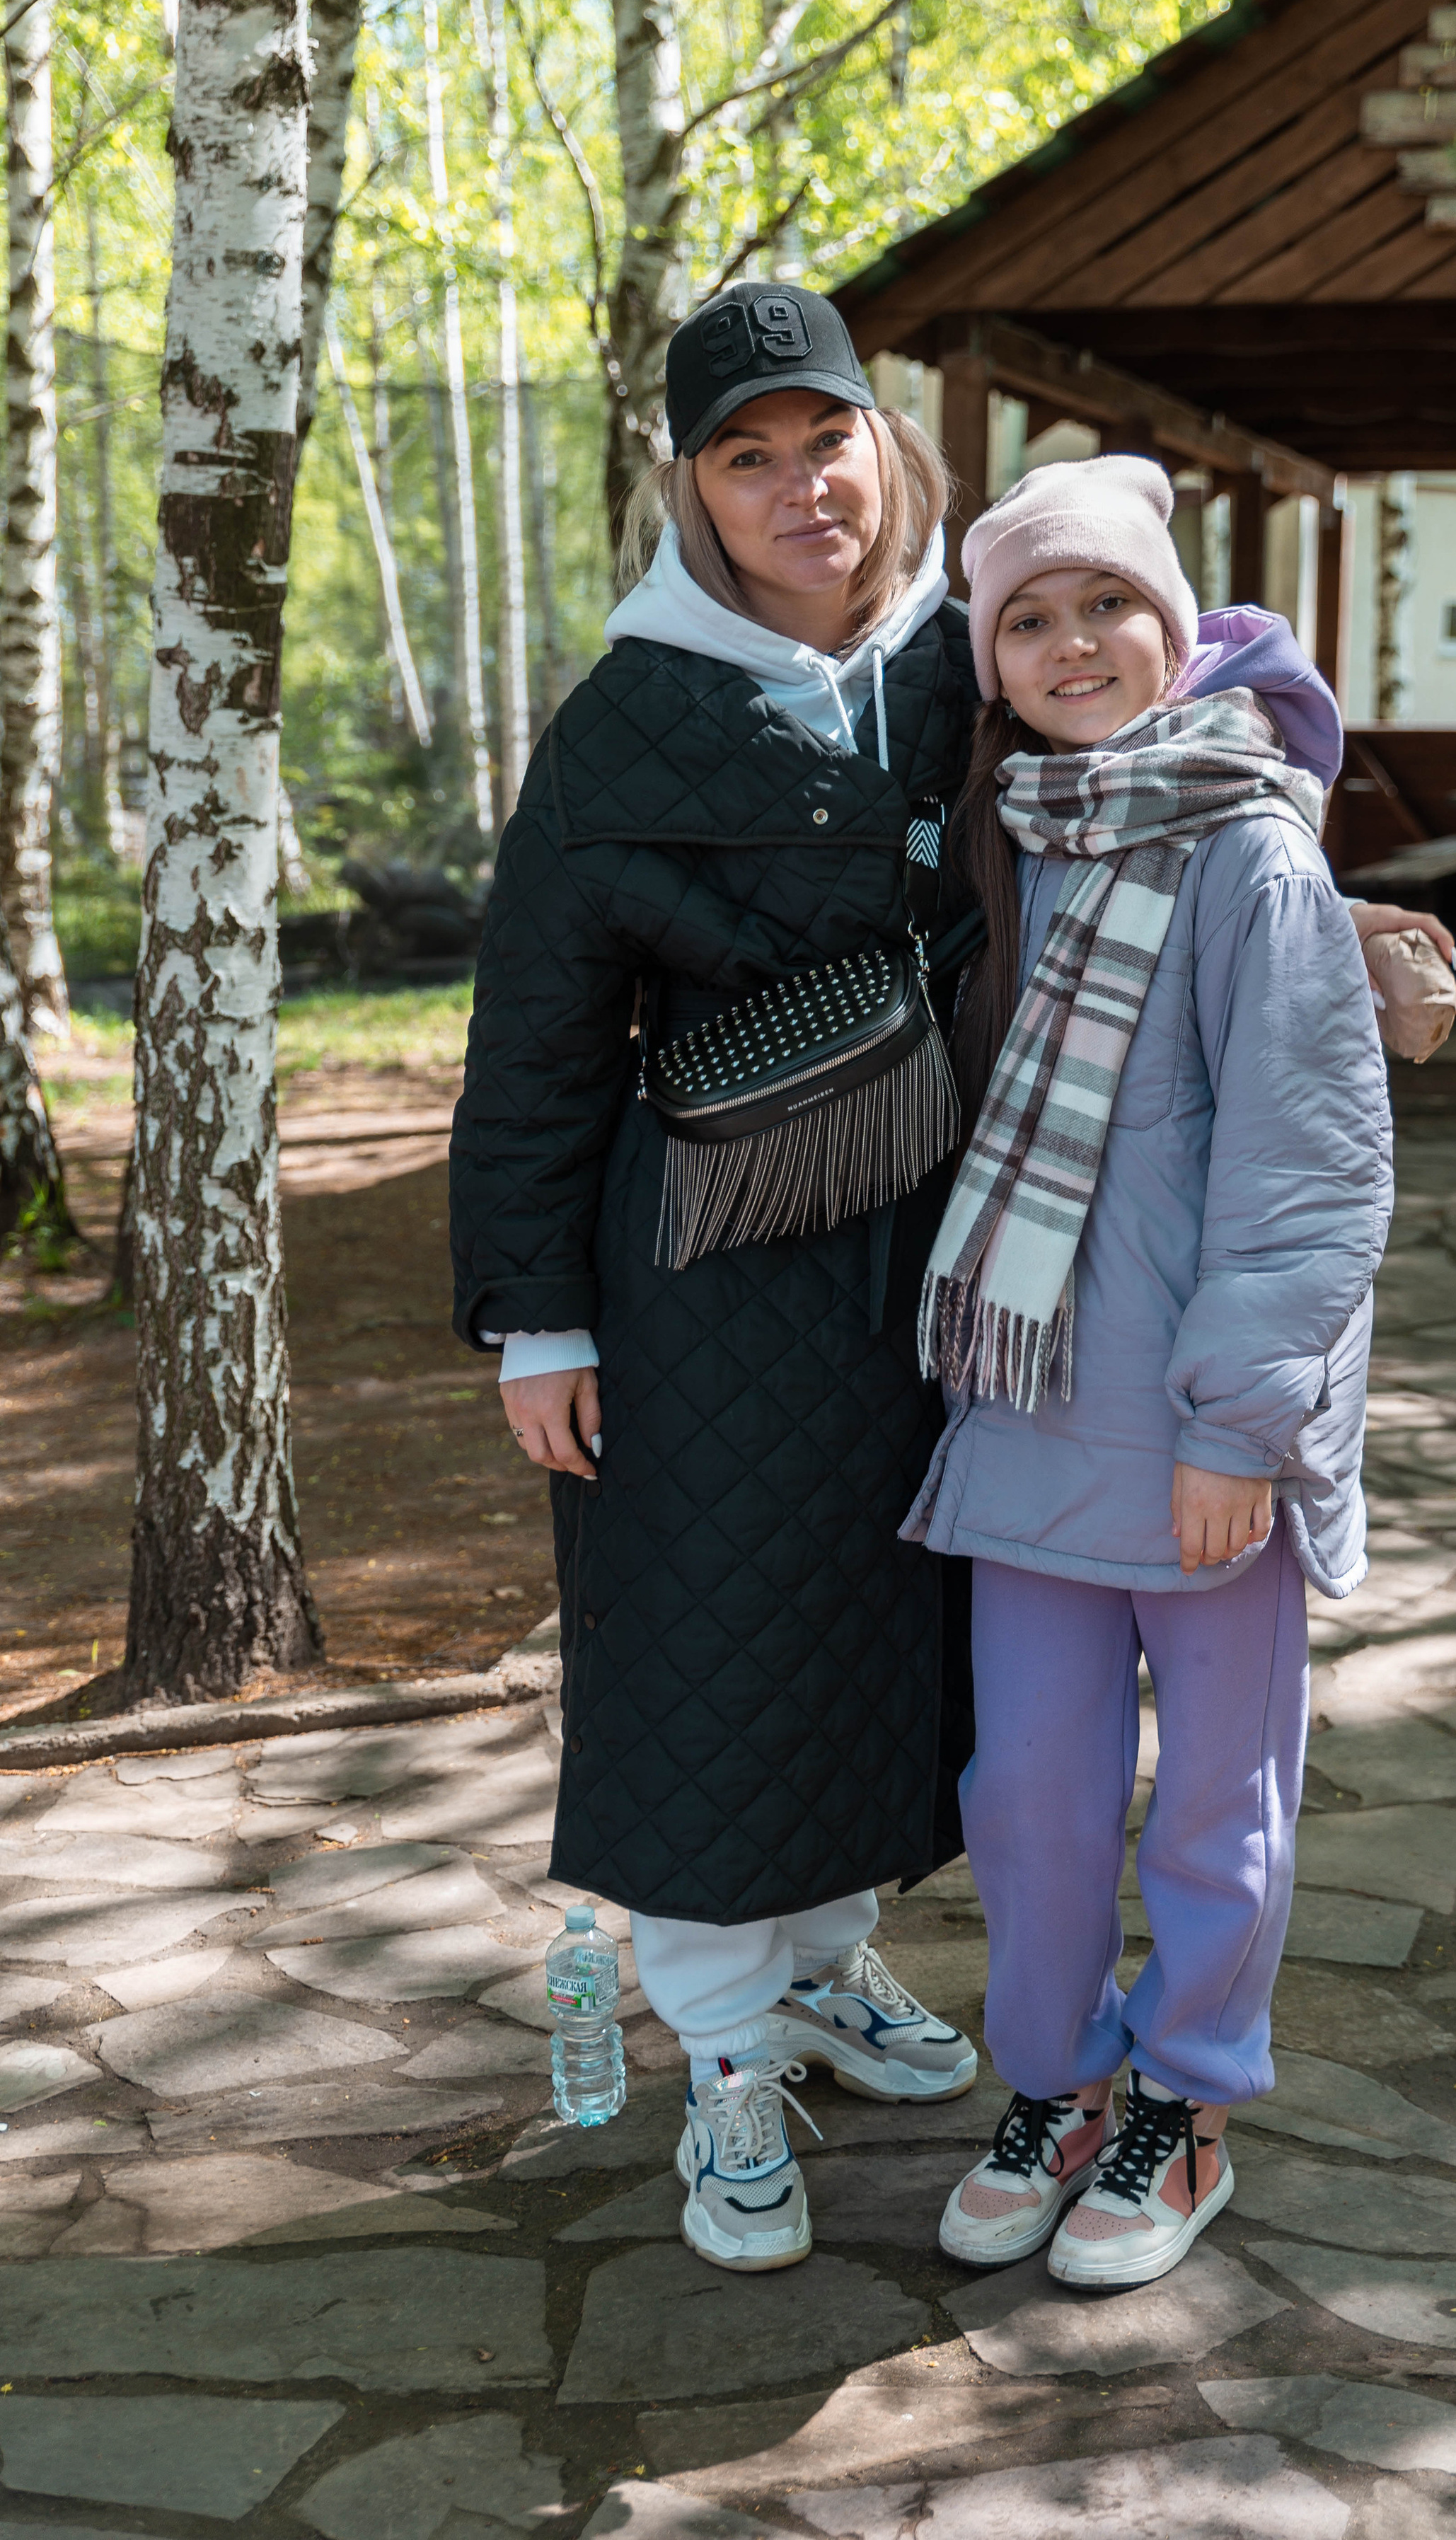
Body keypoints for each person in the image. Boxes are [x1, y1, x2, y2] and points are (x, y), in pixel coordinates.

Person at [449, 283, 985, 2279]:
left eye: (820, 440)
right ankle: (724, 2058)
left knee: (880, 1632)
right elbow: (536, 1039)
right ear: (692, 488)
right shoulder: (625, 716)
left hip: (932, 1257)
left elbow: (1181, 728)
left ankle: (831, 1968)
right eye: (743, 458)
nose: (796, 489)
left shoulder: (975, 655)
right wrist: (537, 1316)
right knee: (702, 1658)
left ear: (884, 442)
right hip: (692, 1278)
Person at [906, 455, 1392, 2292]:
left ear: (1177, 627)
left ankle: (1186, 2106)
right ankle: (1060, 2086)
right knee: (1024, 1798)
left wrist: (1244, 1426)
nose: (1074, 641)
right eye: (1029, 617)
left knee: (1214, 1805)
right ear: (993, 662)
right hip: (1024, 1419)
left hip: (1203, 1443)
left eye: (1108, 601)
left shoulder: (1249, 847)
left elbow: (1308, 1160)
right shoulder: (1001, 839)